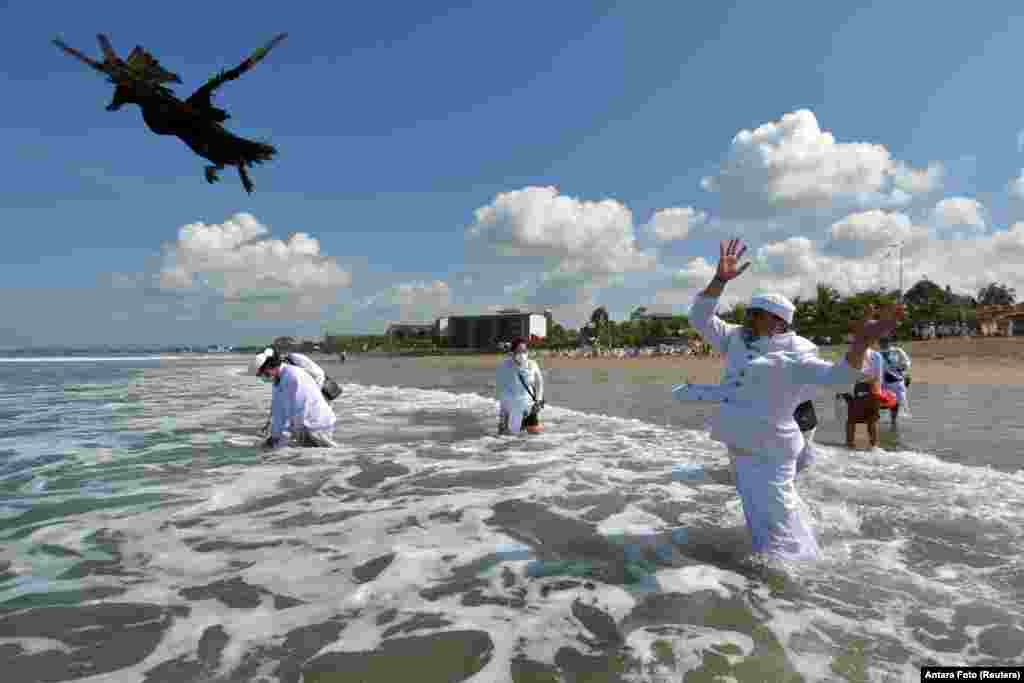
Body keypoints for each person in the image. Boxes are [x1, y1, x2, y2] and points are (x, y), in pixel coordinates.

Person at [680, 238, 902, 561]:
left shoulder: (799, 349)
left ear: (778, 322)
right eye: (750, 313)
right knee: (759, 497)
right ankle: (792, 539)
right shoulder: (737, 337)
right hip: (740, 431)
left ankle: (793, 564)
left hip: (789, 424)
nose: (749, 319)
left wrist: (861, 344)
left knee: (775, 500)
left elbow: (836, 378)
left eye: (757, 315)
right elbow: (699, 318)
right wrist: (719, 281)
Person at [249, 350, 337, 448]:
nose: (262, 377)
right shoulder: (277, 381)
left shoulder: (293, 376)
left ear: (270, 366)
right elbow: (278, 410)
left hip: (317, 424)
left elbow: (299, 408)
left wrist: (294, 434)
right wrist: (274, 435)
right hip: (305, 424)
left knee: (322, 457)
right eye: (259, 375)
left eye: (262, 373)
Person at [495, 337, 544, 435]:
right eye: (519, 351)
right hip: (511, 405)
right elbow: (501, 388)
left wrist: (538, 400)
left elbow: (539, 383)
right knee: (505, 437)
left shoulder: (532, 364)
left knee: (534, 435)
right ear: (512, 352)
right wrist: (503, 413)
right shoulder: (505, 366)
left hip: (529, 404)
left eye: (524, 351)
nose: (522, 354)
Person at [878, 337, 911, 426]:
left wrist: (902, 368)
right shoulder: (877, 354)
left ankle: (893, 421)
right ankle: (878, 420)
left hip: (896, 381)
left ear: (890, 342)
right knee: (882, 403)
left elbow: (907, 362)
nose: (883, 344)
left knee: (896, 403)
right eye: (881, 342)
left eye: (885, 342)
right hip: (883, 383)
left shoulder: (897, 351)